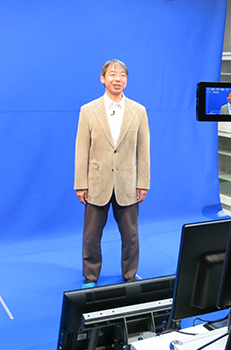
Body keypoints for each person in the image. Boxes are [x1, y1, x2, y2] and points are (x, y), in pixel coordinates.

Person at [74, 59, 150, 289]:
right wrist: (81, 183)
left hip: (127, 183)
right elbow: (81, 149)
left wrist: (143, 183)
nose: (118, 79)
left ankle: (129, 274)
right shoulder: (88, 110)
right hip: (97, 183)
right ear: (103, 78)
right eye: (113, 75)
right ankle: (90, 276)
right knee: (90, 236)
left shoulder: (139, 110)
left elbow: (143, 149)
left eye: (123, 75)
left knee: (131, 236)